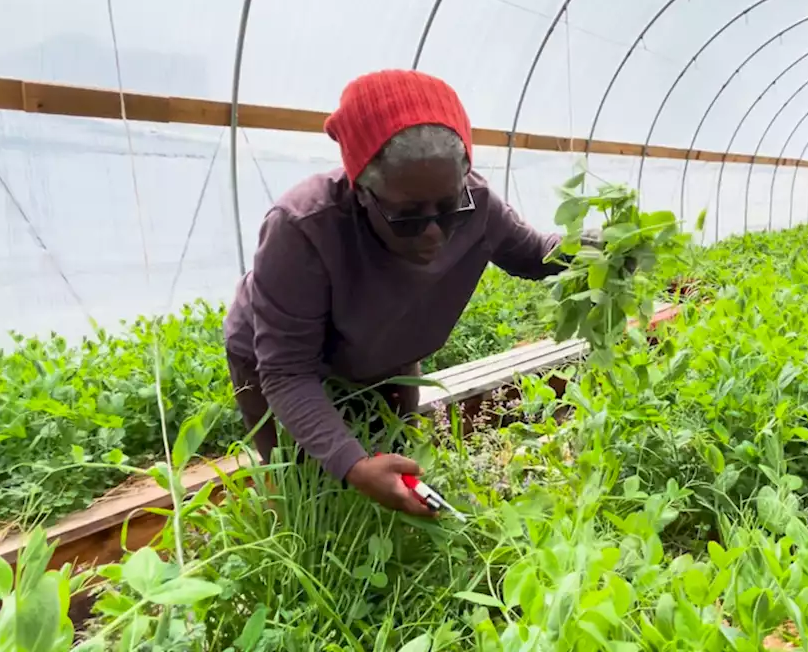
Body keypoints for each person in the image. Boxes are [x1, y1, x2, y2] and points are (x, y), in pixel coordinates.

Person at [223, 70, 564, 517]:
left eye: (449, 207)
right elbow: (288, 372)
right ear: (362, 191)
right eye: (408, 216)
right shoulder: (304, 227)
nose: (434, 231)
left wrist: (600, 249)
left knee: (399, 467)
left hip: (386, 356)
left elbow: (536, 255)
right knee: (307, 492)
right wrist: (355, 465)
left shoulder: (477, 205)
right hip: (287, 369)